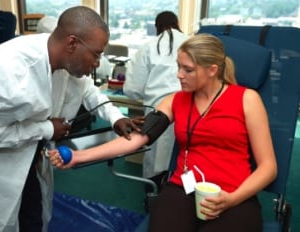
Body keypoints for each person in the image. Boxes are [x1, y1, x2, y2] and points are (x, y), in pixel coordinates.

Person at [49, 33, 277, 231]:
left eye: (188, 69)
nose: (179, 75)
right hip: (183, 189)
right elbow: (134, 140)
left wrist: (231, 199)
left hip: (235, 193)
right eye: (178, 66)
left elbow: (268, 167)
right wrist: (78, 157)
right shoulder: (175, 101)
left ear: (212, 70)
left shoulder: (247, 100)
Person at [0, 6, 139, 232]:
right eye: (97, 54)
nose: (98, 62)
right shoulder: (4, 71)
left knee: (33, 216)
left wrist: (116, 117)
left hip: (27, 155)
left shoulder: (63, 58)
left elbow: (89, 91)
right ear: (72, 44)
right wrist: (47, 129)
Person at [123, 11, 189, 190]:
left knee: (156, 161)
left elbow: (132, 90)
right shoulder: (192, 43)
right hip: (191, 111)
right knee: (186, 159)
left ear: (156, 27)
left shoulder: (148, 47)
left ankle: (153, 197)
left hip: (157, 114)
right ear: (177, 23)